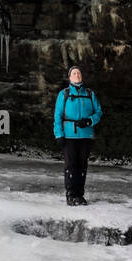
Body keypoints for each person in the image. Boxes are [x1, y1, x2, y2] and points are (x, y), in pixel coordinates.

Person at [53, 65, 102, 205]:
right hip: (69, 135)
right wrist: (59, 135)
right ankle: (70, 194)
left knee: (82, 165)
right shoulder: (64, 94)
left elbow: (98, 112)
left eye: (79, 73)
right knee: (71, 165)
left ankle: (80, 195)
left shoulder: (90, 94)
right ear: (69, 77)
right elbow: (58, 115)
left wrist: (89, 121)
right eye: (74, 73)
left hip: (86, 135)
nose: (77, 75)